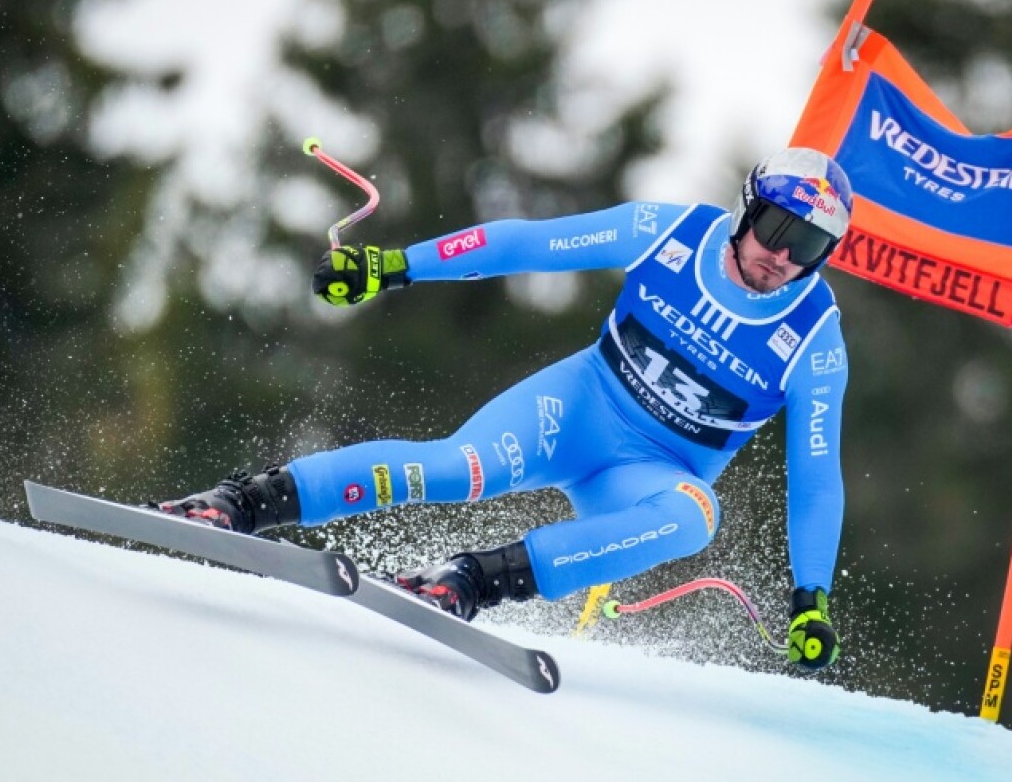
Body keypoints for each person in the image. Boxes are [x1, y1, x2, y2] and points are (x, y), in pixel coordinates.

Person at [155, 146, 853, 671]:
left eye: (809, 246)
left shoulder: (817, 340)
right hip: (579, 409)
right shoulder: (673, 234)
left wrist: (810, 598)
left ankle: (468, 581)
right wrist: (393, 267)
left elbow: (816, 477)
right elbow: (529, 243)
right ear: (747, 210)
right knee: (457, 469)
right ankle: (246, 501)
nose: (782, 257)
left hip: (648, 473)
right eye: (775, 228)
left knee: (697, 516)